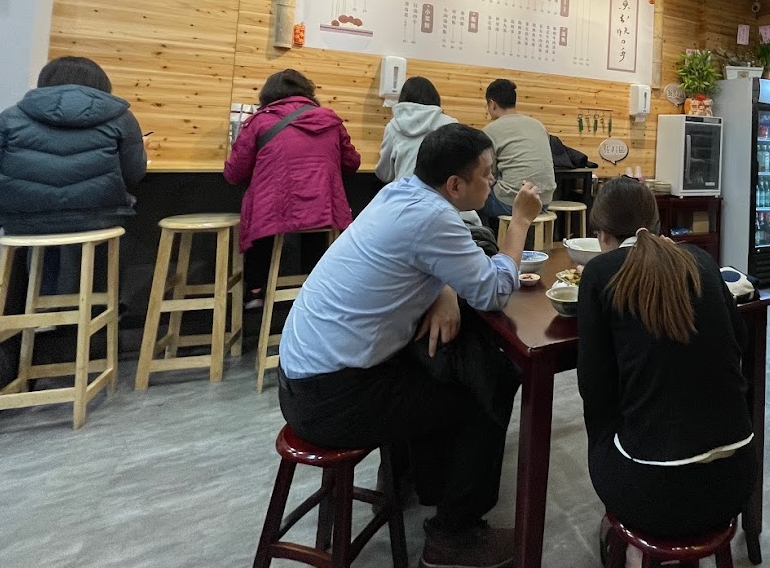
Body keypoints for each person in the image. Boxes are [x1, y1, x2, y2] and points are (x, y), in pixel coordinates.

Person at [277, 124, 542, 568]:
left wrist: (445, 290)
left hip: (302, 378)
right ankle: (453, 538)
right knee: (485, 391)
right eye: (487, 173)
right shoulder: (435, 218)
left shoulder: (399, 193)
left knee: (438, 366)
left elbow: (421, 259)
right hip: (331, 398)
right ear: (455, 185)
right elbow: (494, 291)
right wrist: (519, 223)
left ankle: (411, 482)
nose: (493, 180)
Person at [577, 176, 756, 550]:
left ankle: (624, 539)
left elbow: (594, 388)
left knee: (603, 422)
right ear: (657, 222)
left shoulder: (599, 272)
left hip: (651, 496)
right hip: (737, 481)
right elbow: (740, 342)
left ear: (601, 234)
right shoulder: (701, 260)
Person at [0, 56, 147, 295]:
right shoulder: (121, 118)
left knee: (43, 229)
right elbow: (134, 174)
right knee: (102, 231)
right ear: (102, 84)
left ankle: (34, 306)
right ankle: (100, 304)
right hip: (97, 218)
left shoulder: (10, 117)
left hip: (24, 221)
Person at [224, 69, 360, 307]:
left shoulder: (258, 122)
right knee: (317, 214)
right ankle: (314, 286)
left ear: (268, 95)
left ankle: (256, 289)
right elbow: (352, 162)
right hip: (322, 207)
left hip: (275, 207)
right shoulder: (330, 120)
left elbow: (234, 174)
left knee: (264, 213)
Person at [480, 78, 555, 223]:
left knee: (475, 197)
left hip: (512, 204)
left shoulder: (490, 131)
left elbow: (489, 174)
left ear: (492, 104)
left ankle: (487, 237)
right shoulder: (538, 125)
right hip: (543, 201)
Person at [376, 76, 459, 184]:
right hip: (439, 192)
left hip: (405, 191)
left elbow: (384, 173)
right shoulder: (450, 124)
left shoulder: (393, 126)